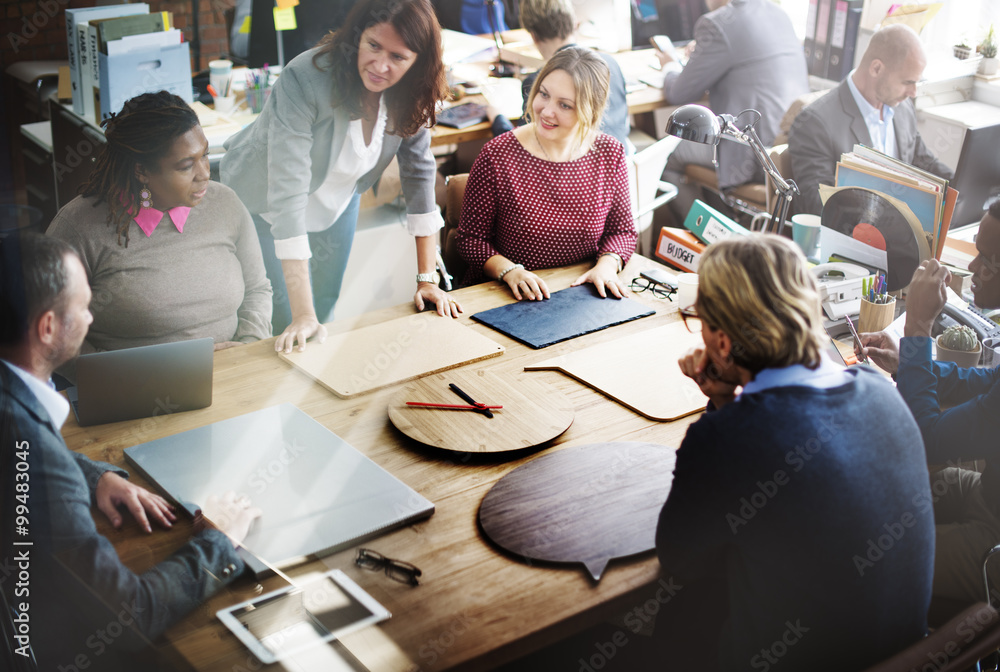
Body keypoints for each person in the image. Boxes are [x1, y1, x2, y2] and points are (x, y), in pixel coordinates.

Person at [657, 235, 934, 671]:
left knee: (673, 616)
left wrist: (721, 413)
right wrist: (729, 400)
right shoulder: (880, 388)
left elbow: (679, 558)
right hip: (911, 656)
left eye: (703, 324)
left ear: (724, 345)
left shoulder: (726, 437)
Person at [0, 233, 261, 671]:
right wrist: (219, 540)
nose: (91, 316)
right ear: (47, 328)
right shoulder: (34, 453)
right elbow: (128, 617)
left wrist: (92, 474)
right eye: (82, 306)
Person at [221, 0, 460, 354]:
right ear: (357, 35)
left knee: (327, 306)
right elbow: (287, 193)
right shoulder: (306, 78)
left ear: (417, 63)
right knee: (285, 316)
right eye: (373, 45)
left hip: (338, 198)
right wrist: (303, 315)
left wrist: (427, 280)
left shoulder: (411, 92)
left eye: (398, 57)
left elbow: (420, 174)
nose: (380, 66)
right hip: (266, 206)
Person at [46, 91, 272, 361]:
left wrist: (248, 347)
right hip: (132, 390)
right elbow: (51, 329)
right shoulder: (78, 227)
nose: (204, 174)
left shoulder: (225, 203)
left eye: (205, 155)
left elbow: (258, 288)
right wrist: (112, 377)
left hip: (235, 373)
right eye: (186, 166)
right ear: (142, 170)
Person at [858, 201, 1000, 607]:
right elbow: (984, 381)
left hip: (995, 542)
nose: (971, 269)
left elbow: (926, 439)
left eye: (986, 260)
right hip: (989, 497)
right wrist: (911, 363)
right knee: (872, 495)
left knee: (867, 557)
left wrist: (918, 326)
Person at [455, 47, 636, 300]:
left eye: (565, 105)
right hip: (507, 294)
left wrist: (606, 266)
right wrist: (510, 272)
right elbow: (471, 240)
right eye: (544, 94)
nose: (547, 111)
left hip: (581, 292)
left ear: (590, 110)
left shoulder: (609, 152)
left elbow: (622, 232)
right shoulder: (497, 154)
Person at [655, 0, 808, 215]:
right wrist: (702, 55)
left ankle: (706, 237)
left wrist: (670, 65)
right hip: (785, 151)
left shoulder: (716, 23)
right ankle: (721, 228)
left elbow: (679, 93)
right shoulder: (777, 13)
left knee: (665, 156)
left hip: (753, 151)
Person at [789, 24, 954, 216]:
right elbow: (815, 204)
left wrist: (964, 186)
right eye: (907, 82)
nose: (913, 92)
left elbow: (924, 163)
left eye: (917, 82)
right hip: (853, 237)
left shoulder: (901, 108)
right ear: (876, 68)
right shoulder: (815, 123)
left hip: (898, 234)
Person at [486, 0, 630, 149]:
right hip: (623, 162)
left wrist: (498, 119)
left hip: (574, 169)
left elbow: (523, 149)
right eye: (544, 95)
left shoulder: (537, 81)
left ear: (533, 36)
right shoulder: (610, 63)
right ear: (574, 23)